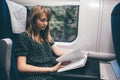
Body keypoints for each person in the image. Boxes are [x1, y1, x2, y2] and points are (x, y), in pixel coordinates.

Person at [15, 5, 69, 80]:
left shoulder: (46, 36)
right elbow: (21, 67)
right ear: (33, 20)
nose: (46, 23)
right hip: (35, 76)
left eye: (47, 20)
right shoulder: (24, 37)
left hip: (49, 73)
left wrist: (77, 54)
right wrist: (51, 69)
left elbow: (58, 52)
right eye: (42, 20)